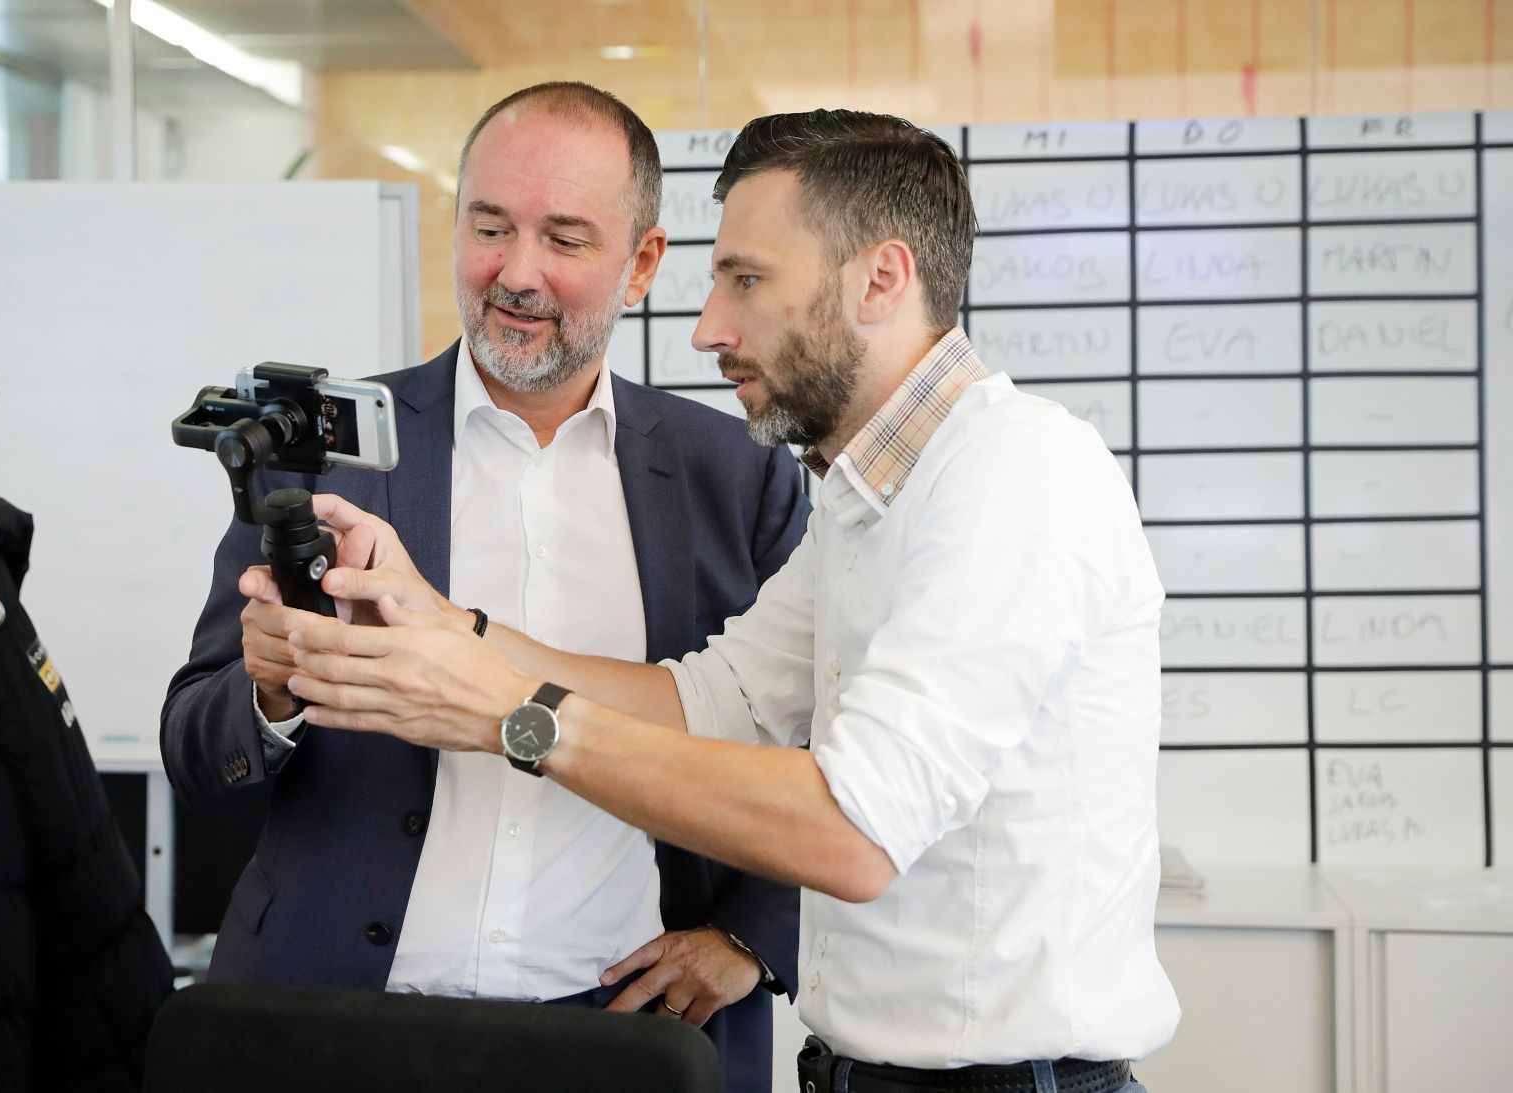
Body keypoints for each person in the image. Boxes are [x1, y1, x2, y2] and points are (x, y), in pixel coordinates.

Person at [282, 109, 1180, 1093]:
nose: (709, 326)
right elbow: (710, 701)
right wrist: (451, 630)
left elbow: (852, 832)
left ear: (879, 279)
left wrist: (511, 716)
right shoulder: (867, 498)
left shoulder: (1012, 476)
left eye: (746, 280)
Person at [160, 82, 808, 1093]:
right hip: (331, 1029)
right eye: (490, 226)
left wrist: (747, 935)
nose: (516, 273)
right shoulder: (323, 452)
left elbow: (816, 745)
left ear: (641, 262)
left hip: (618, 1045)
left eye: (563, 238)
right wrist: (270, 694)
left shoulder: (739, 478)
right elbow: (196, 750)